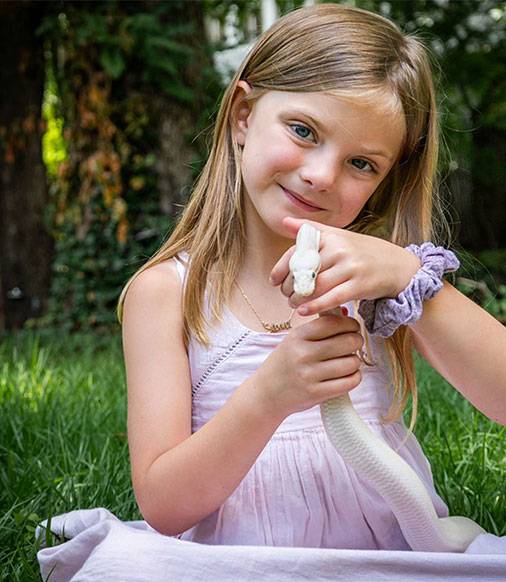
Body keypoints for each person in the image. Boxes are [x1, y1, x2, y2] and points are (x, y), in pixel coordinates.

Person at [37, 3, 506, 580]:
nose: (322, 174)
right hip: (239, 562)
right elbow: (164, 505)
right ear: (242, 115)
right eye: (304, 131)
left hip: (388, 558)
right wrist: (272, 393)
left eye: (361, 162)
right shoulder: (168, 294)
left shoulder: (375, 279)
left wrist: (411, 280)